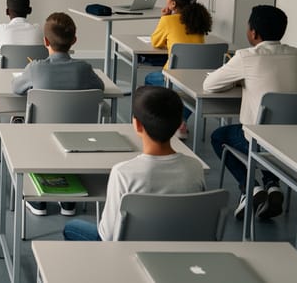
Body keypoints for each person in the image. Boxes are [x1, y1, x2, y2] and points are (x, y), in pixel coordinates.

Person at [62, 86, 206, 241]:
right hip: (178, 248)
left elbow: (108, 235)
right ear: (179, 123)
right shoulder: (195, 168)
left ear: (137, 125)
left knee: (72, 227)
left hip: (127, 253)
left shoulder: (123, 173)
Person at [205, 5, 297, 221]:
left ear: (253, 32)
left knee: (219, 136)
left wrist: (241, 80)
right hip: (295, 141)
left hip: (260, 142)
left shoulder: (245, 56)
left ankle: (249, 188)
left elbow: (209, 85)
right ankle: (272, 185)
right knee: (272, 134)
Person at [12, 11, 104, 217]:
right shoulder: (84, 69)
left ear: (45, 41)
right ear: (74, 41)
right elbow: (99, 89)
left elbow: (16, 88)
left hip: (39, 138)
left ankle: (39, 201)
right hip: (77, 138)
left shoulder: (35, 68)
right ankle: (68, 201)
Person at [143, 0, 212, 139]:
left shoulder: (168, 21)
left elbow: (156, 42)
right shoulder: (199, 21)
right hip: (198, 78)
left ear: (173, 3)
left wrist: (164, 18)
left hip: (174, 76)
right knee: (187, 92)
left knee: (150, 79)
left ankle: (161, 122)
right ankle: (181, 121)